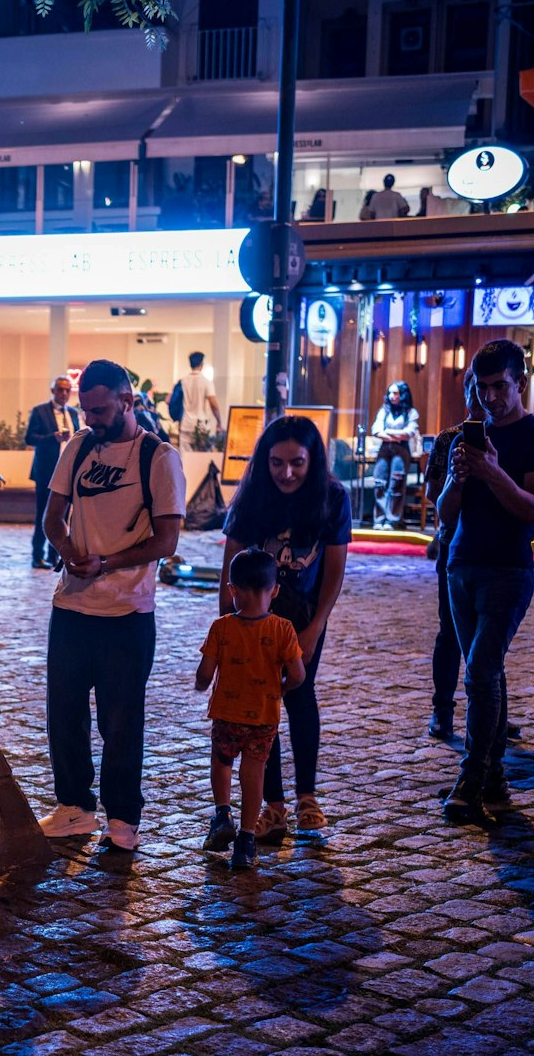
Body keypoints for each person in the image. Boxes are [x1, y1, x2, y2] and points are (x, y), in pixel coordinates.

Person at [36, 359, 187, 850]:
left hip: (127, 612)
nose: (90, 419)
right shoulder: (78, 446)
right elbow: (52, 517)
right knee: (65, 712)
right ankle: (75, 807)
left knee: (122, 720)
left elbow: (166, 540)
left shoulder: (158, 458)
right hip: (72, 607)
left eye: (99, 410)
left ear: (128, 401)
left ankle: (123, 818)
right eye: (85, 410)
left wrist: (108, 563)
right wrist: (69, 551)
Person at [435, 340, 534, 822]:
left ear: (521, 383)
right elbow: (445, 517)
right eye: (481, 387)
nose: (490, 397)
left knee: (481, 673)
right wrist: (458, 479)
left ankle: (471, 777)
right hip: (461, 566)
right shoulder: (463, 438)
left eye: (500, 386)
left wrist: (491, 472)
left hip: (509, 570)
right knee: (488, 676)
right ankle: (495, 779)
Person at [220, 415, 350, 839]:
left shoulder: (332, 497)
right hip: (254, 616)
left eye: (297, 462)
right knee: (261, 706)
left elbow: (334, 571)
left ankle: (306, 796)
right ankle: (272, 806)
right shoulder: (253, 494)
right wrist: (228, 625)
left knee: (300, 693)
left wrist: (315, 628)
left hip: (306, 615)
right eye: (277, 462)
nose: (287, 473)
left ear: (313, 460)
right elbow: (231, 567)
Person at [196, 550, 305, 871]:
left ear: (232, 590)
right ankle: (245, 839)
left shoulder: (222, 627)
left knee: (222, 760)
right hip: (264, 714)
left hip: (227, 712)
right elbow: (298, 674)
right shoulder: (283, 629)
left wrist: (201, 684)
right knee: (254, 772)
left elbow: (205, 672)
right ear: (274, 590)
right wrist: (282, 688)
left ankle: (221, 813)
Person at [425, 376, 484, 740]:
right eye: (475, 389)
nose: (482, 397)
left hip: (495, 546)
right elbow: (433, 492)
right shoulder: (449, 438)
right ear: (466, 393)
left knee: (488, 637)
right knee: (450, 631)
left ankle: (488, 709)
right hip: (454, 542)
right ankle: (442, 710)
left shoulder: (507, 438)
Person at [26, 376, 81, 570]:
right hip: (46, 472)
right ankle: (37, 555)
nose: (64, 393)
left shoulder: (74, 413)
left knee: (63, 516)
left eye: (67, 390)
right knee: (44, 513)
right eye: (60, 390)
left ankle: (55, 554)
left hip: (69, 472)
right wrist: (53, 437)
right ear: (53, 391)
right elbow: (29, 438)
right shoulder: (40, 411)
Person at [370, 381, 421, 529]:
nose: (392, 396)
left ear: (402, 395)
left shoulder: (411, 412)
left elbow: (409, 432)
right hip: (385, 449)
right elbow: (376, 430)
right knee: (379, 482)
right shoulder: (384, 411)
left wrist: (389, 433)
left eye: (395, 393)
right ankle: (379, 519)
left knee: (396, 484)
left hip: (401, 450)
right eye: (390, 393)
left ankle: (392, 519)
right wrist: (396, 436)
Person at [174, 351, 222, 444]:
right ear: (201, 364)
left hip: (185, 424)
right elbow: (214, 405)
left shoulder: (183, 381)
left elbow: (171, 400)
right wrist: (219, 422)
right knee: (200, 457)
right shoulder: (206, 381)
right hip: (201, 426)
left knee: (185, 457)